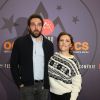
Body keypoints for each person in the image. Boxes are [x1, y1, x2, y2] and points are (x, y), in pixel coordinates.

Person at [10, 14, 54, 100]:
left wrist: (47, 84)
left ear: (42, 27)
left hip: (43, 87)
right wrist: (20, 84)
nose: (36, 27)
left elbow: (50, 66)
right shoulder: (20, 42)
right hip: (26, 87)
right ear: (29, 27)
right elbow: (13, 64)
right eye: (33, 24)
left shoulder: (49, 44)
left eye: (39, 24)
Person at [48, 32, 82, 100]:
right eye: (61, 40)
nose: (64, 43)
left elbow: (77, 84)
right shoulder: (53, 57)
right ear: (58, 43)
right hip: (52, 94)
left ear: (70, 45)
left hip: (66, 96)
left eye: (67, 41)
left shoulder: (73, 62)